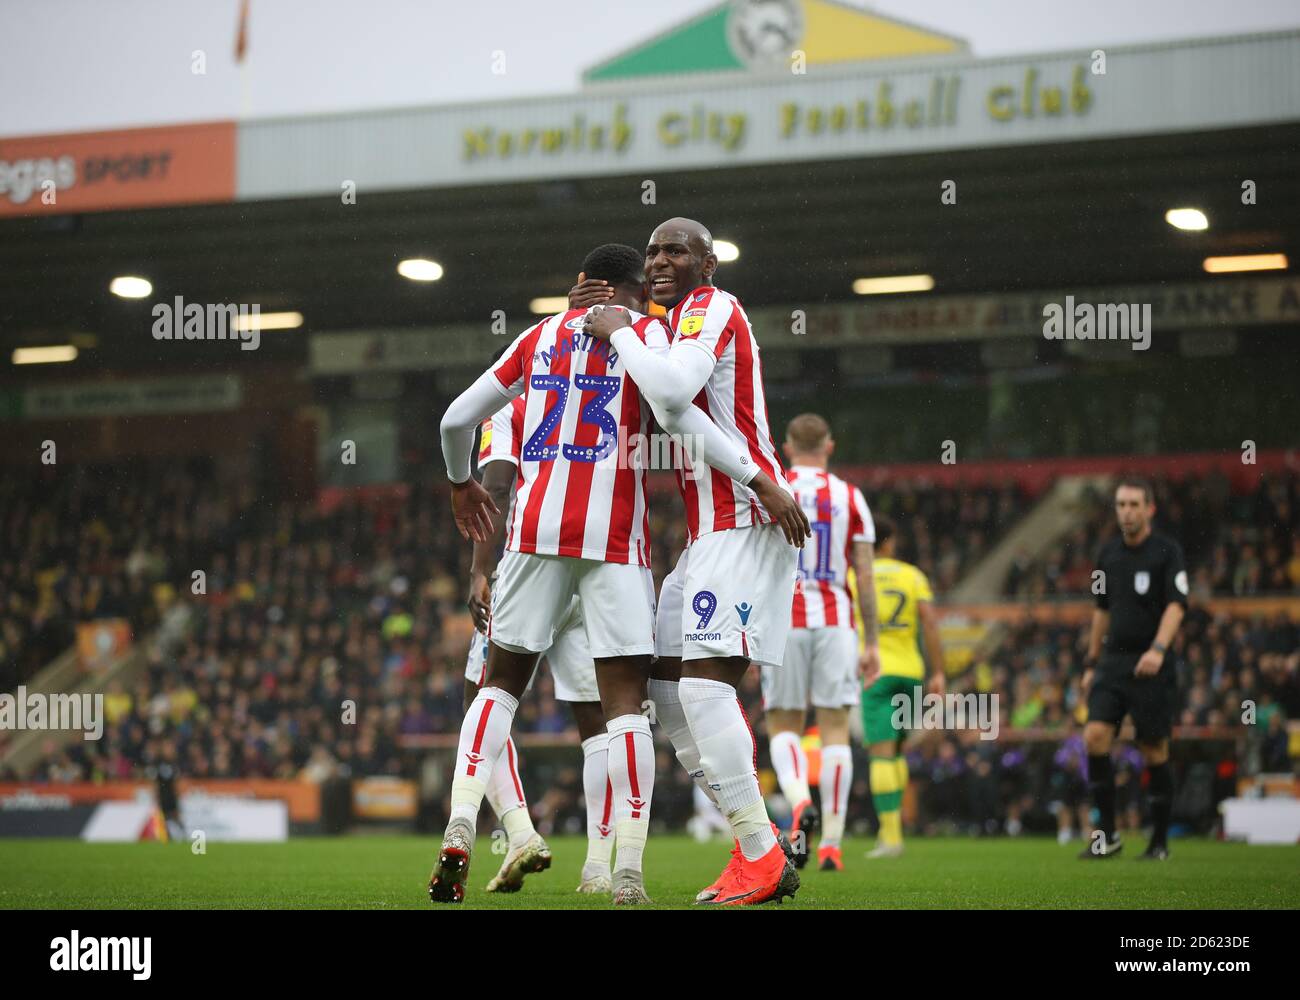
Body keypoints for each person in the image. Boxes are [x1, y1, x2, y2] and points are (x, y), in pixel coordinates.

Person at [433, 243, 795, 905]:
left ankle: (463, 824)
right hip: (615, 547)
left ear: (582, 286)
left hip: (534, 535)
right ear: (635, 289)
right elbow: (677, 411)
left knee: (498, 686)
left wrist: (460, 485)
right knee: (625, 708)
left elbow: (457, 418)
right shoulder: (651, 337)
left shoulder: (538, 335)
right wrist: (758, 478)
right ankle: (623, 871)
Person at [583, 217, 810, 906]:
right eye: (651, 250)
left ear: (708, 263)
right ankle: (758, 843)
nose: (658, 260)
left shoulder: (712, 307)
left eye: (675, 250)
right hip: (710, 532)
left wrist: (620, 326)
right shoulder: (672, 325)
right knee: (660, 688)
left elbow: (677, 398)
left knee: (707, 689)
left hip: (743, 519)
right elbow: (672, 410)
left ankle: (760, 856)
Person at [462, 392, 614, 894]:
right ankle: (600, 868)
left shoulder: (506, 407)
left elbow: (497, 488)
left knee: (485, 695)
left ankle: (516, 831)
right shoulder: (585, 392)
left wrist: (481, 569)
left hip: (530, 565)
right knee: (597, 720)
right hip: (595, 561)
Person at [761, 413, 878, 872]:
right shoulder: (850, 497)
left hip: (784, 620)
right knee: (834, 731)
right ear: (829, 446)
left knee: (784, 724)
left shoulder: (773, 486)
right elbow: (865, 575)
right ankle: (831, 841)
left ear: (787, 448)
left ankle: (796, 802)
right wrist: (873, 642)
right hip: (837, 623)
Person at [1080, 477, 1188, 861]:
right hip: (1113, 662)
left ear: (1149, 509)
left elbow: (1177, 605)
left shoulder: (1166, 552)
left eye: (1133, 505)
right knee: (1094, 737)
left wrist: (1159, 649)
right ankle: (1106, 837)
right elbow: (1101, 610)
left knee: (1153, 747)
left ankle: (1159, 842)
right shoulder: (1107, 555)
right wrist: (1092, 662)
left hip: (1151, 662)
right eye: (1121, 505)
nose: (1126, 511)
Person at [861, 515, 945, 858]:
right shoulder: (913, 576)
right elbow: (930, 623)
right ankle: (896, 831)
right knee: (895, 750)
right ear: (890, 541)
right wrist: (937, 671)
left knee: (880, 754)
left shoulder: (858, 577)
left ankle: (891, 836)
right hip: (911, 671)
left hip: (876, 673)